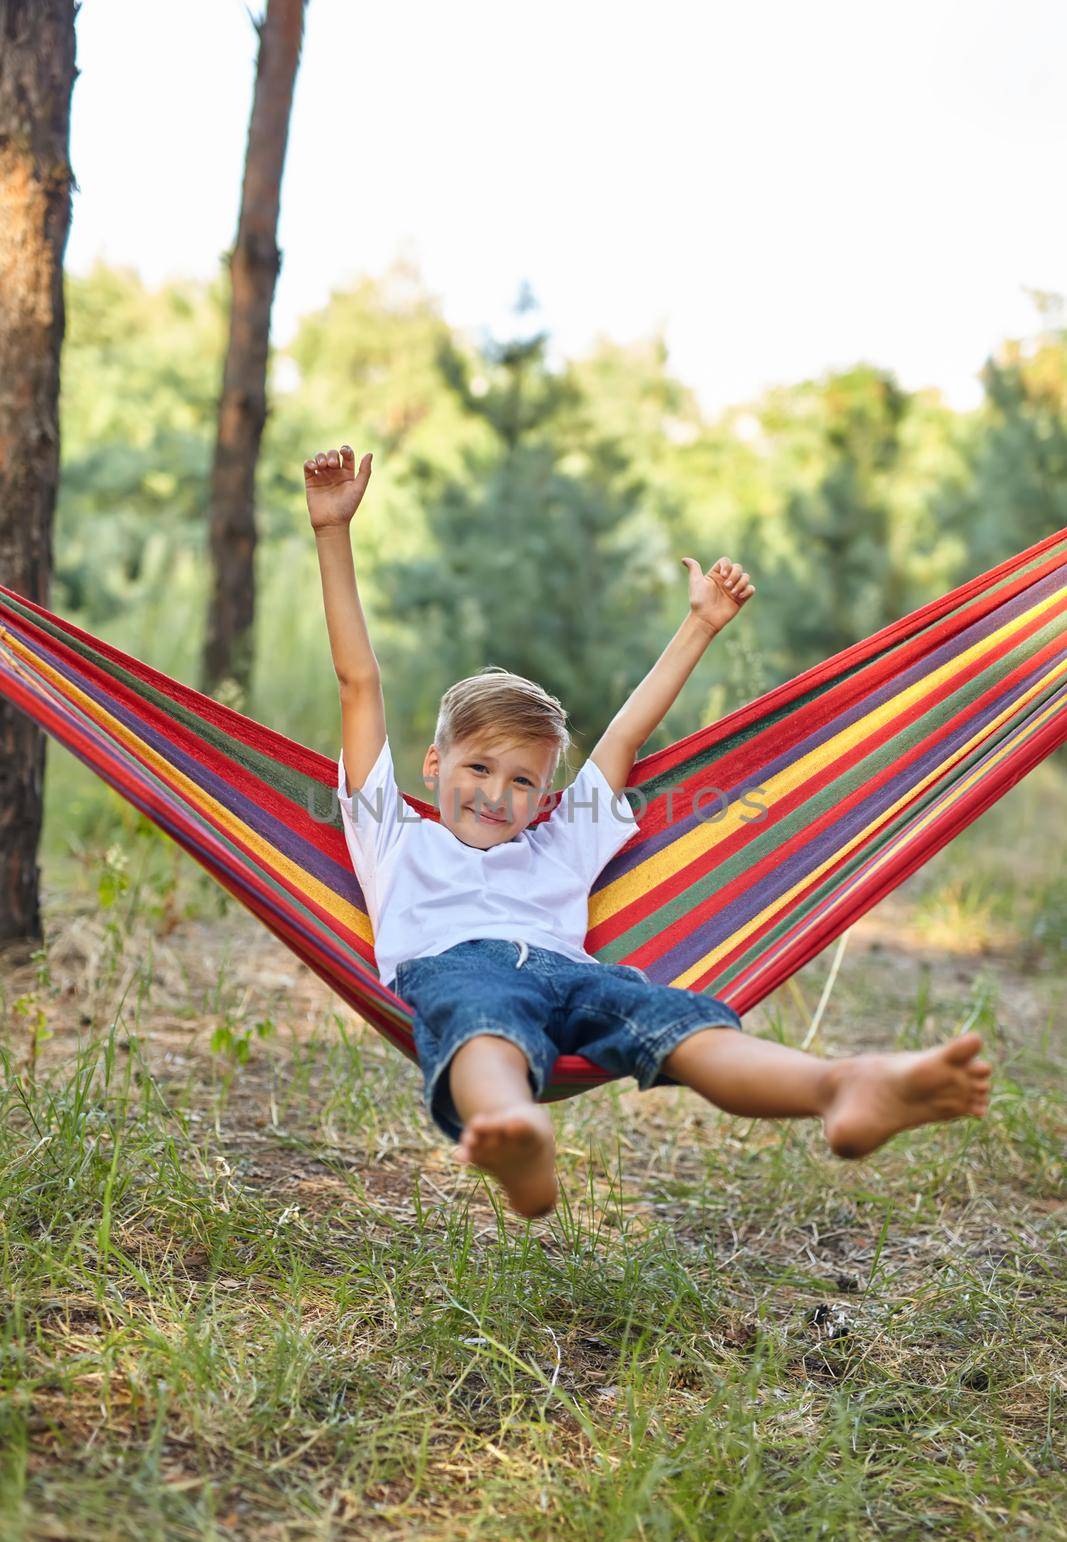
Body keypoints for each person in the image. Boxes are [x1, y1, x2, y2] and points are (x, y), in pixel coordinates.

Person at [305, 443, 992, 1219]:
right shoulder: (393, 834)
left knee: (680, 1024)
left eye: (523, 780)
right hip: (456, 967)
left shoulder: (561, 839)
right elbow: (358, 683)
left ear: (546, 793)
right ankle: (514, 1127)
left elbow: (625, 736)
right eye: (478, 769)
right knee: (481, 1027)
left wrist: (699, 624)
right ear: (433, 764)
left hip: (574, 975)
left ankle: (840, 1085)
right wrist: (333, 530)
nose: (497, 795)